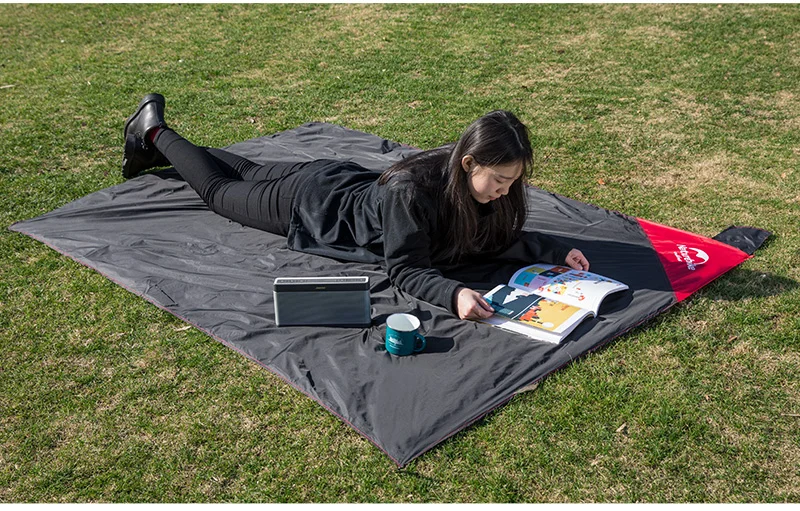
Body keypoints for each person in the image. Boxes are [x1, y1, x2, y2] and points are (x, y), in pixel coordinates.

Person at [122, 94, 590, 321]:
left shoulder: (478, 185)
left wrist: (554, 251)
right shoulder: (413, 193)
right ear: (468, 163)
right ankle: (153, 132)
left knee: (246, 169)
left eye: (514, 181)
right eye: (500, 180)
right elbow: (406, 269)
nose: (506, 191)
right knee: (220, 191)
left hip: (337, 177)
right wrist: (453, 296)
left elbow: (498, 238)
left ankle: (159, 148)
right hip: (309, 203)